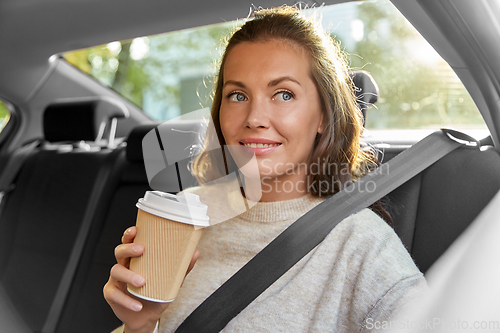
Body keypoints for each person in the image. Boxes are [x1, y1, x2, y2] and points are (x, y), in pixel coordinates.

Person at [104, 6, 427, 333]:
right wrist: (141, 325)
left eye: (284, 94)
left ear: (323, 116)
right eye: (237, 95)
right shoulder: (188, 212)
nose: (254, 117)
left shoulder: (361, 244)